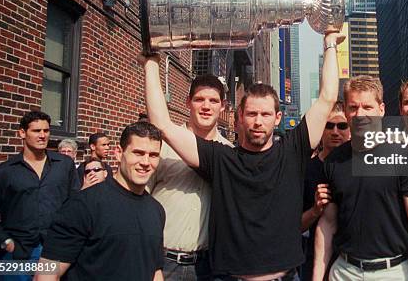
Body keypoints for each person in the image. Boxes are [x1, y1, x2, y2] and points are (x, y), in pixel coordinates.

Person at [141, 31, 344, 280]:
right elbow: (162, 124)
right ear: (239, 116)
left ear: (277, 118)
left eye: (266, 115)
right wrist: (151, 62)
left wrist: (330, 43)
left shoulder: (292, 150)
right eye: (251, 114)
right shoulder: (221, 157)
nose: (258, 122)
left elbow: (327, 98)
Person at [313, 76, 408, 281]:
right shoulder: (334, 160)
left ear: (381, 109)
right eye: (353, 107)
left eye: (367, 107)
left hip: (394, 272)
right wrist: (317, 277)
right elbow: (327, 223)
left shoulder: (406, 156)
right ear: (345, 111)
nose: (360, 114)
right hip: (344, 271)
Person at [35, 122, 165, 281]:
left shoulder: (157, 210)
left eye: (153, 155)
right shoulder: (83, 204)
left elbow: (155, 271)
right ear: (119, 153)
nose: (146, 162)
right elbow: (46, 274)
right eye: (138, 153)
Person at [147, 74, 233, 280]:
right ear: (188, 102)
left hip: (208, 267)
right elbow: (140, 199)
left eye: (213, 101)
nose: (206, 106)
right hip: (163, 262)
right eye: (199, 99)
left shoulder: (229, 152)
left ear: (222, 107)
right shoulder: (164, 144)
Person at [0, 111, 79, 281]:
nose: (42, 135)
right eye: (36, 131)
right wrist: (6, 243)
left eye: (46, 131)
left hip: (54, 250)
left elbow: (74, 205)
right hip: (16, 252)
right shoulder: (3, 172)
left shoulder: (64, 165)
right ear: (22, 133)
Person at [300, 101, 350, 280]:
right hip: (313, 260)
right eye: (329, 126)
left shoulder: (365, 166)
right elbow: (294, 226)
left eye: (342, 126)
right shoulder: (305, 170)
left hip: (352, 263)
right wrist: (315, 210)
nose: (335, 132)